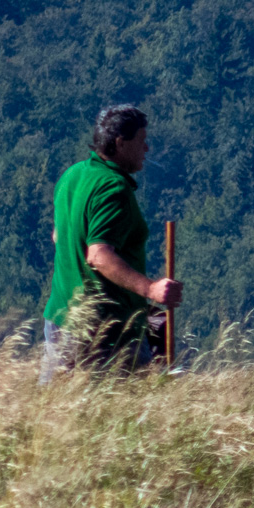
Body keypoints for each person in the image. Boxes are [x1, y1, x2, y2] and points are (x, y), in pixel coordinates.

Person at [41, 104, 182, 380]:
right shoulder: (114, 189)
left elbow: (59, 236)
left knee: (55, 415)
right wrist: (150, 289)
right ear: (120, 143)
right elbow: (98, 255)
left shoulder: (72, 175)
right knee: (125, 416)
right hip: (106, 332)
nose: (147, 148)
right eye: (141, 140)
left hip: (60, 320)